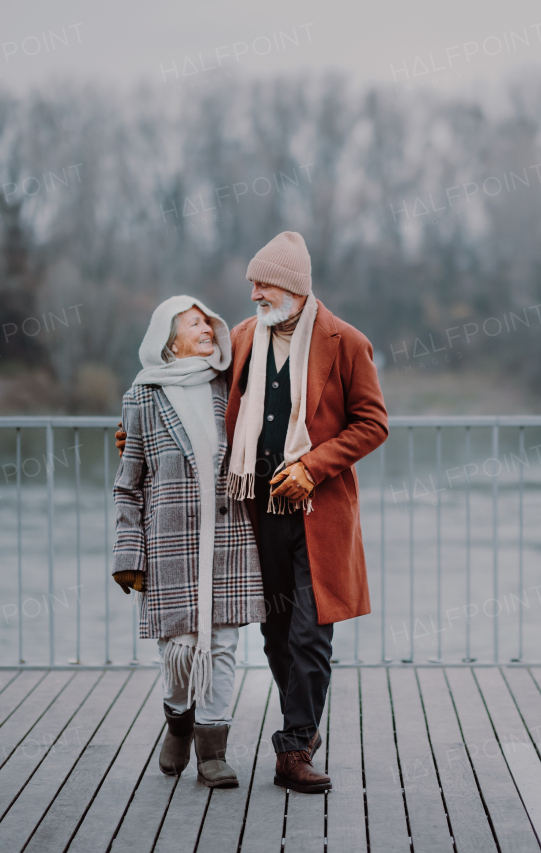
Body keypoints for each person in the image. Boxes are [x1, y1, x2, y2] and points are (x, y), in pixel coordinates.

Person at [225, 231, 388, 793]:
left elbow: (373, 424)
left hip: (320, 515)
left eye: (262, 283)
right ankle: (302, 729)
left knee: (311, 633)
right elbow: (200, 396)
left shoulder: (346, 343)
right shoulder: (243, 338)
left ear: (293, 286)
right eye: (251, 284)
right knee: (274, 632)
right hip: (257, 512)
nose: (253, 295)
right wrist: (139, 431)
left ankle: (294, 746)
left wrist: (313, 467)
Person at [111, 296, 264, 789]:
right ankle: (178, 721)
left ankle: (212, 750)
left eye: (207, 322)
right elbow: (128, 482)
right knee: (176, 652)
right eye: (192, 323)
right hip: (170, 543)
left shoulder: (227, 387)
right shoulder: (142, 397)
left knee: (222, 645)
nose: (205, 328)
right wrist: (127, 553)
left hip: (228, 537)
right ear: (168, 340)